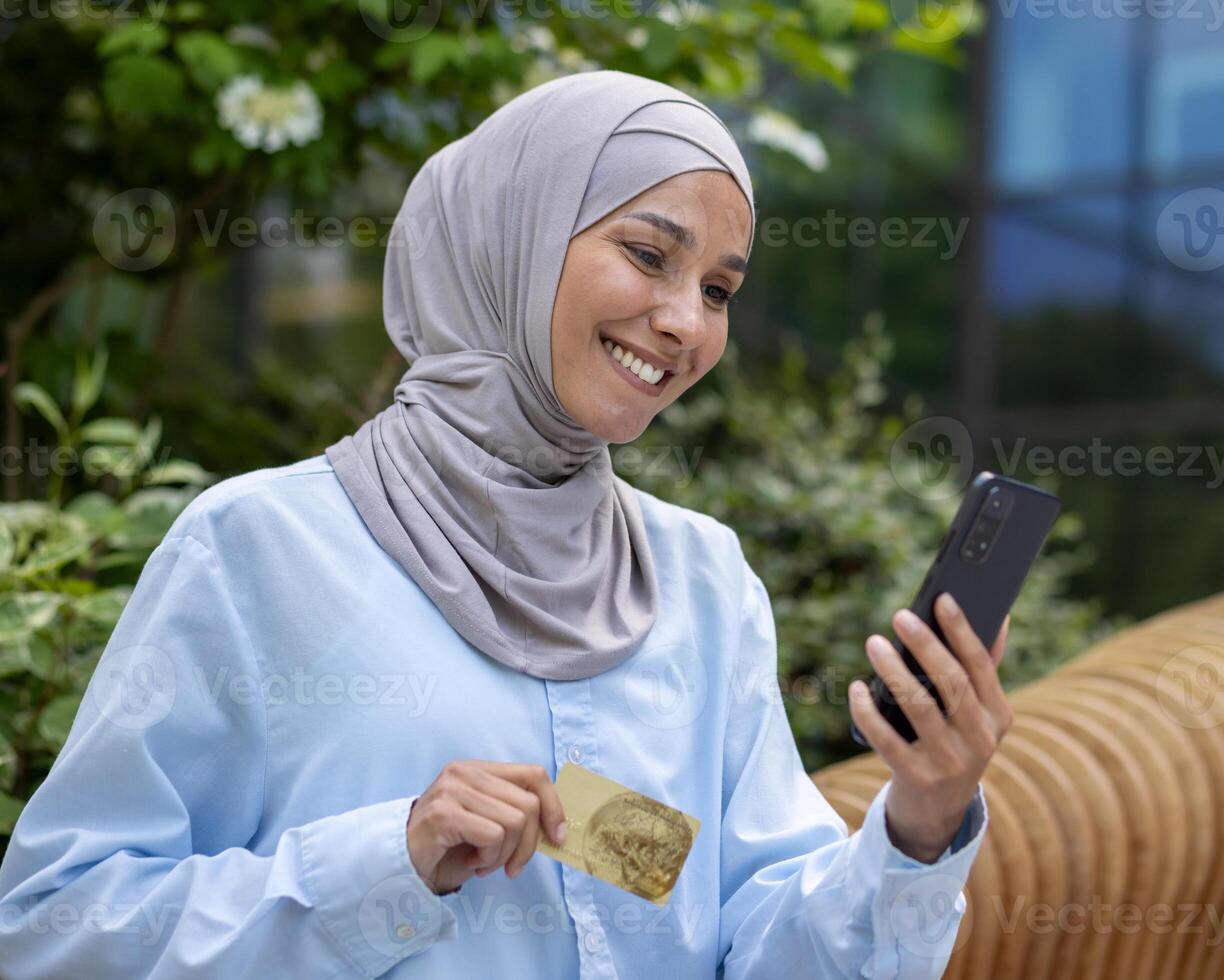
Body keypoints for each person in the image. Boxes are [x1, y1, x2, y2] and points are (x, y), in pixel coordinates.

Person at [0, 69, 1013, 979]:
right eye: (648, 254)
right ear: (512, 236)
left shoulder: (701, 578)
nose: (687, 322)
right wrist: (386, 858)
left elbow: (760, 946)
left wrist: (921, 821)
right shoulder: (259, 549)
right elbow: (51, 930)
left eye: (718, 289)